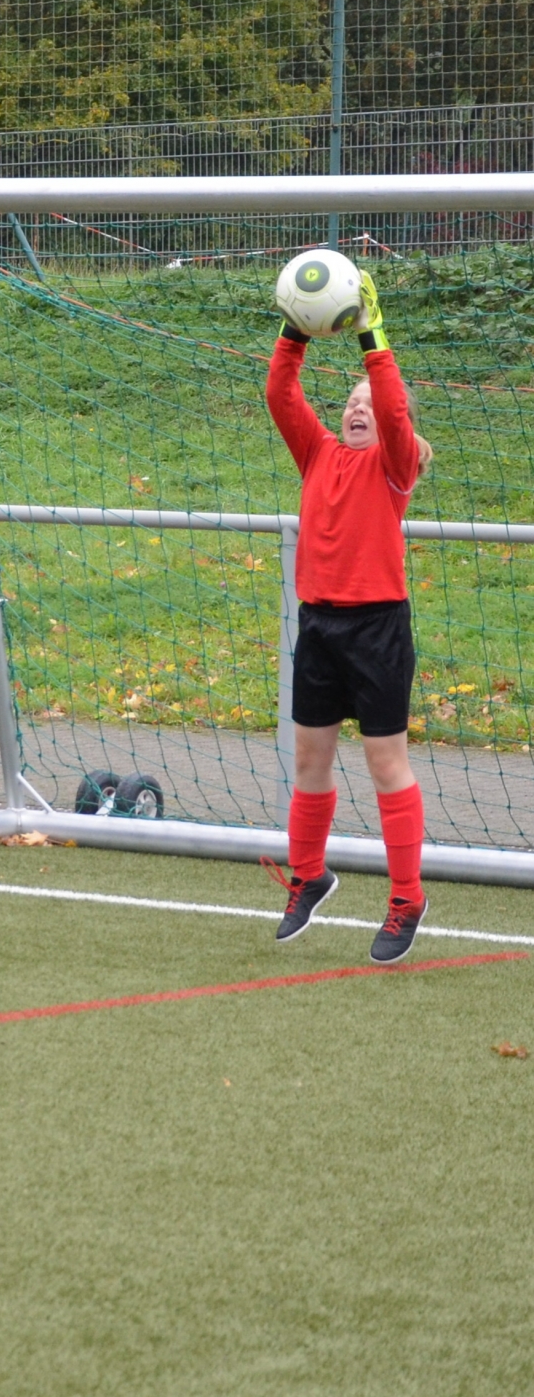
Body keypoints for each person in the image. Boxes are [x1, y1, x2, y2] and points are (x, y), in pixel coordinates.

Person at [266, 268, 435, 963]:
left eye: (368, 400)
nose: (358, 407)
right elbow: (280, 393)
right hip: (320, 626)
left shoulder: (394, 467)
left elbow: (395, 411)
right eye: (350, 400)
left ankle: (406, 899)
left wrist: (370, 332)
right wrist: (294, 329)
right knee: (310, 758)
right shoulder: (318, 455)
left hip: (377, 630)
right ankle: (308, 875)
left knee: (384, 762)